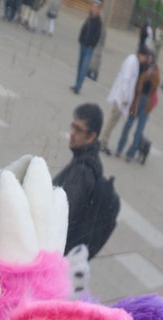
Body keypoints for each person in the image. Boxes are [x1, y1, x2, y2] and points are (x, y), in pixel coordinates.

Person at [53, 103, 113, 255]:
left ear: (91, 137)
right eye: (73, 126)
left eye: (78, 130)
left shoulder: (82, 172)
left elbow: (61, 215)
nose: (72, 133)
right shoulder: (88, 160)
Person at [116, 49, 159, 163]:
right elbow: (135, 80)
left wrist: (150, 75)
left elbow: (156, 84)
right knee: (129, 125)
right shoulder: (142, 67)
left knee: (138, 129)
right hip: (137, 101)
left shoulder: (155, 70)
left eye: (150, 59)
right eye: (148, 58)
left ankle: (130, 153)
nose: (149, 60)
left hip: (145, 103)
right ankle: (120, 148)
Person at [101, 49, 145, 155]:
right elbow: (126, 80)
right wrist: (125, 98)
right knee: (113, 120)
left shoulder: (134, 61)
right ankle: (103, 143)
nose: (144, 60)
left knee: (114, 120)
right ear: (141, 54)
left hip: (122, 97)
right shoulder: (132, 61)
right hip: (121, 97)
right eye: (145, 57)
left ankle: (104, 141)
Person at [72, 1, 102, 94]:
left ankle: (78, 87)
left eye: (95, 7)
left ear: (98, 9)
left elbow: (97, 35)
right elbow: (84, 28)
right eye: (93, 7)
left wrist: (92, 44)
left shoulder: (98, 22)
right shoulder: (89, 18)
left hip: (89, 47)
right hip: (83, 44)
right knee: (80, 65)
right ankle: (76, 84)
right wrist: (80, 38)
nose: (93, 9)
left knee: (84, 67)